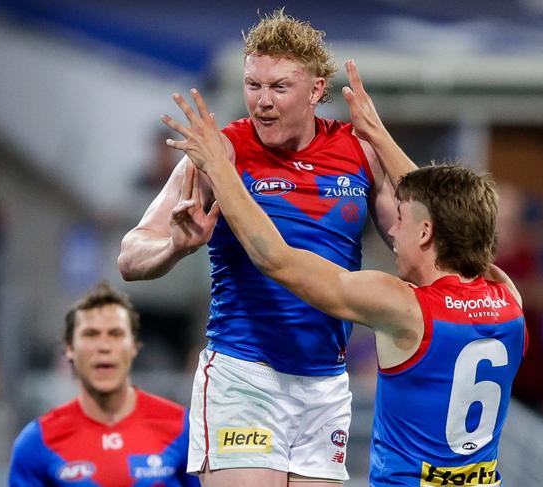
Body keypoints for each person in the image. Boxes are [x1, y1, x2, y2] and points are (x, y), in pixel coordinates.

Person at [163, 61, 527, 486]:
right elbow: (456, 223)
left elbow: (276, 259)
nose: (391, 228)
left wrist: (221, 170)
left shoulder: (402, 306)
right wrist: (377, 134)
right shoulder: (508, 300)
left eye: (403, 220)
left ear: (427, 232)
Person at [118, 9, 414, 487]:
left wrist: (381, 135)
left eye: (279, 87)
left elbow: (429, 236)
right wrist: (174, 247)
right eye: (253, 86)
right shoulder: (222, 151)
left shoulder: (359, 151)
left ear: (317, 90)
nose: (262, 102)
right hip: (244, 375)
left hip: (326, 383)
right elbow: (130, 255)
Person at [9, 282, 199, 487]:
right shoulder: (37, 441)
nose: (104, 346)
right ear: (69, 349)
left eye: (116, 334)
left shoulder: (182, 428)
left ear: (134, 346)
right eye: (91, 334)